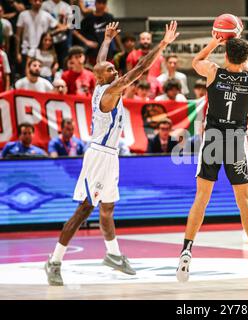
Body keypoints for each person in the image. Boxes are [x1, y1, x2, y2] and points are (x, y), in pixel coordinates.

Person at [44, 21, 179, 286]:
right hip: (99, 156)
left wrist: (106, 40)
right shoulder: (111, 90)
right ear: (104, 78)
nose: (115, 70)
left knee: (108, 207)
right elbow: (139, 69)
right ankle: (54, 261)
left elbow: (101, 62)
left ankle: (114, 255)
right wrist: (162, 45)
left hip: (110, 155)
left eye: (114, 68)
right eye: (111, 70)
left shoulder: (100, 85)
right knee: (85, 209)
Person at [176, 35, 248, 285]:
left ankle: (186, 250)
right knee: (244, 201)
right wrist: (235, 38)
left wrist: (216, 40)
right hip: (235, 141)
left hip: (213, 139)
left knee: (202, 198)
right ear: (245, 57)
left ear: (225, 55)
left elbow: (197, 60)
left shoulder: (213, 72)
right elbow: (247, 65)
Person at [15, 0, 66, 74]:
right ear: (30, 1)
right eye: (35, 0)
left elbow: (62, 27)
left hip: (41, 51)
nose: (38, 2)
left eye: (40, 1)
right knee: (26, 75)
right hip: (26, 50)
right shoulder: (23, 15)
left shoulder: (46, 15)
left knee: (42, 75)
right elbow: (18, 35)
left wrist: (49, 35)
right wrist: (17, 53)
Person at [73, 0, 123, 66]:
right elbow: (75, 31)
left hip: (108, 52)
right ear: (95, 4)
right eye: (99, 3)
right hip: (93, 54)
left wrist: (121, 48)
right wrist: (86, 42)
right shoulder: (88, 18)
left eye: (103, 3)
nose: (101, 5)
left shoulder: (109, 17)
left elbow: (116, 34)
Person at [41, 0, 72, 68]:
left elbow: (69, 25)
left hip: (62, 40)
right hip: (47, 40)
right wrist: (58, 30)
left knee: (62, 63)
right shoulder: (45, 5)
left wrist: (56, 31)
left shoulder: (67, 6)